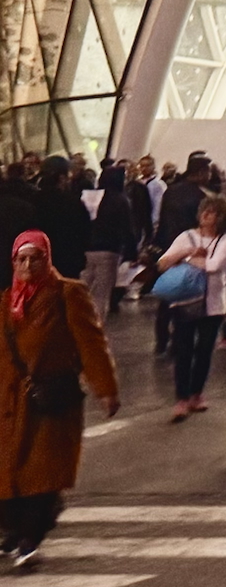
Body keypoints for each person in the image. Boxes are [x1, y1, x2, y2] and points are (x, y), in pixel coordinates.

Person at [0, 231, 118, 570]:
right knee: (9, 470)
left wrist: (106, 388)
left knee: (44, 471)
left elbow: (91, 343)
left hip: (50, 400)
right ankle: (13, 530)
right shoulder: (6, 300)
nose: (27, 265)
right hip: (9, 403)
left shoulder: (68, 294)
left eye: (35, 258)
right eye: (21, 259)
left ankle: (30, 537)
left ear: (47, 259)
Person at [153, 194, 226, 422]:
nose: (205, 215)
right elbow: (162, 263)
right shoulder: (186, 237)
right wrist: (187, 253)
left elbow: (214, 265)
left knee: (204, 351)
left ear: (221, 217)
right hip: (185, 303)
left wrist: (186, 261)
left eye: (212, 212)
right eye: (204, 210)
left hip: (213, 304)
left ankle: (196, 393)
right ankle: (181, 398)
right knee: (183, 350)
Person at [84, 165, 135, 316]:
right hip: (109, 250)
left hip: (86, 249)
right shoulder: (121, 200)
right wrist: (131, 253)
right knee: (101, 294)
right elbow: (127, 228)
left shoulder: (89, 197)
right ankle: (96, 325)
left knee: (83, 289)